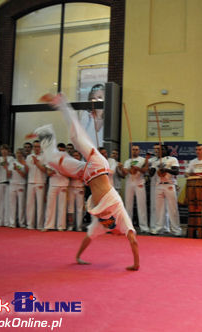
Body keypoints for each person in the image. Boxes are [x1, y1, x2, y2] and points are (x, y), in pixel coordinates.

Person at [38, 92, 139, 271]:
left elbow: (87, 239)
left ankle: (45, 134)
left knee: (55, 161)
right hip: (99, 166)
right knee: (76, 139)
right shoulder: (120, 216)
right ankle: (60, 101)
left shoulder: (100, 225)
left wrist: (78, 257)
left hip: (87, 175)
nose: (110, 227)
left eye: (110, 227)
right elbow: (133, 240)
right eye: (112, 227)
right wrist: (136, 265)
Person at [149, 145, 182, 236]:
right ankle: (158, 228)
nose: (159, 151)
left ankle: (176, 229)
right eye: (158, 150)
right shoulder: (155, 161)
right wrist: (151, 166)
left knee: (172, 208)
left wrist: (166, 169)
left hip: (169, 185)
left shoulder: (172, 159)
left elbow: (176, 171)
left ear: (167, 151)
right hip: (159, 185)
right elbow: (151, 174)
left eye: (162, 149)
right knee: (159, 209)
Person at [122, 145, 150, 233]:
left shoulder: (142, 160)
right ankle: (128, 226)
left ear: (139, 151)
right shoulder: (128, 161)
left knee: (141, 205)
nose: (135, 151)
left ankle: (144, 227)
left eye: (136, 150)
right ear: (131, 151)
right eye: (133, 149)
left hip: (139, 182)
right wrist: (128, 170)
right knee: (128, 204)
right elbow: (125, 173)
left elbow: (145, 170)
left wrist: (138, 168)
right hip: (129, 182)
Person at [25, 140, 48, 230]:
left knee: (40, 205)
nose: (36, 148)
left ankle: (39, 225)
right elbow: (27, 171)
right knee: (30, 204)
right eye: (35, 146)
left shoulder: (44, 157)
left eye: (38, 146)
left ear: (41, 148)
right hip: (30, 182)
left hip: (40, 182)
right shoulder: (29, 157)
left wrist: (37, 163)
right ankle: (30, 224)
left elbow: (45, 170)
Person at [44, 164, 69, 231]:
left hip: (63, 185)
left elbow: (69, 173)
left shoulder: (66, 161)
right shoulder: (51, 162)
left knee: (62, 206)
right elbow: (48, 173)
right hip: (53, 184)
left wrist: (61, 171)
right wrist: (51, 172)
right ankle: (48, 225)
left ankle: (61, 226)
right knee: (50, 206)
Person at [0, 144, 13, 226]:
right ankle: (0, 221)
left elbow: (10, 172)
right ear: (0, 151)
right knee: (0, 202)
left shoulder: (11, 159)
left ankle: (7, 221)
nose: (4, 151)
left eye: (5, 149)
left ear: (8, 151)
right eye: (2, 149)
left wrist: (5, 162)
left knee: (7, 203)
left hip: (8, 182)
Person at [67, 150, 86, 231]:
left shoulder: (83, 165)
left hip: (80, 188)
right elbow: (67, 175)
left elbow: (85, 176)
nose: (75, 157)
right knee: (70, 208)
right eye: (74, 155)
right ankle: (71, 225)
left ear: (80, 157)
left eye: (77, 156)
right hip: (71, 187)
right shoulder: (69, 164)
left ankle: (79, 226)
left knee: (79, 208)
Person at [9, 149, 28, 228]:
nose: (18, 154)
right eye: (17, 153)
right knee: (12, 205)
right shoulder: (12, 162)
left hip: (21, 184)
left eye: (20, 153)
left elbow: (24, 175)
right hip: (12, 184)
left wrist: (17, 169)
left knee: (21, 205)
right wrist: (7, 169)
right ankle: (12, 223)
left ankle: (21, 223)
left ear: (23, 154)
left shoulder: (25, 163)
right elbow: (9, 174)